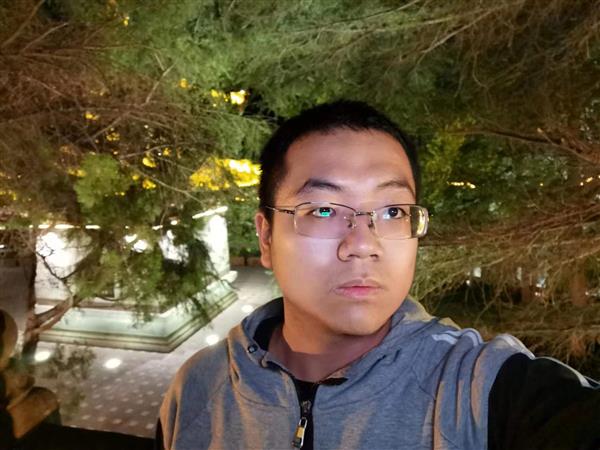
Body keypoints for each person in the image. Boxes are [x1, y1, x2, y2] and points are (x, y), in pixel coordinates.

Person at [157, 100, 600, 450]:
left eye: (392, 211)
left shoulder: (480, 392)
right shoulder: (196, 389)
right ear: (267, 237)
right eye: (324, 210)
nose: (363, 243)